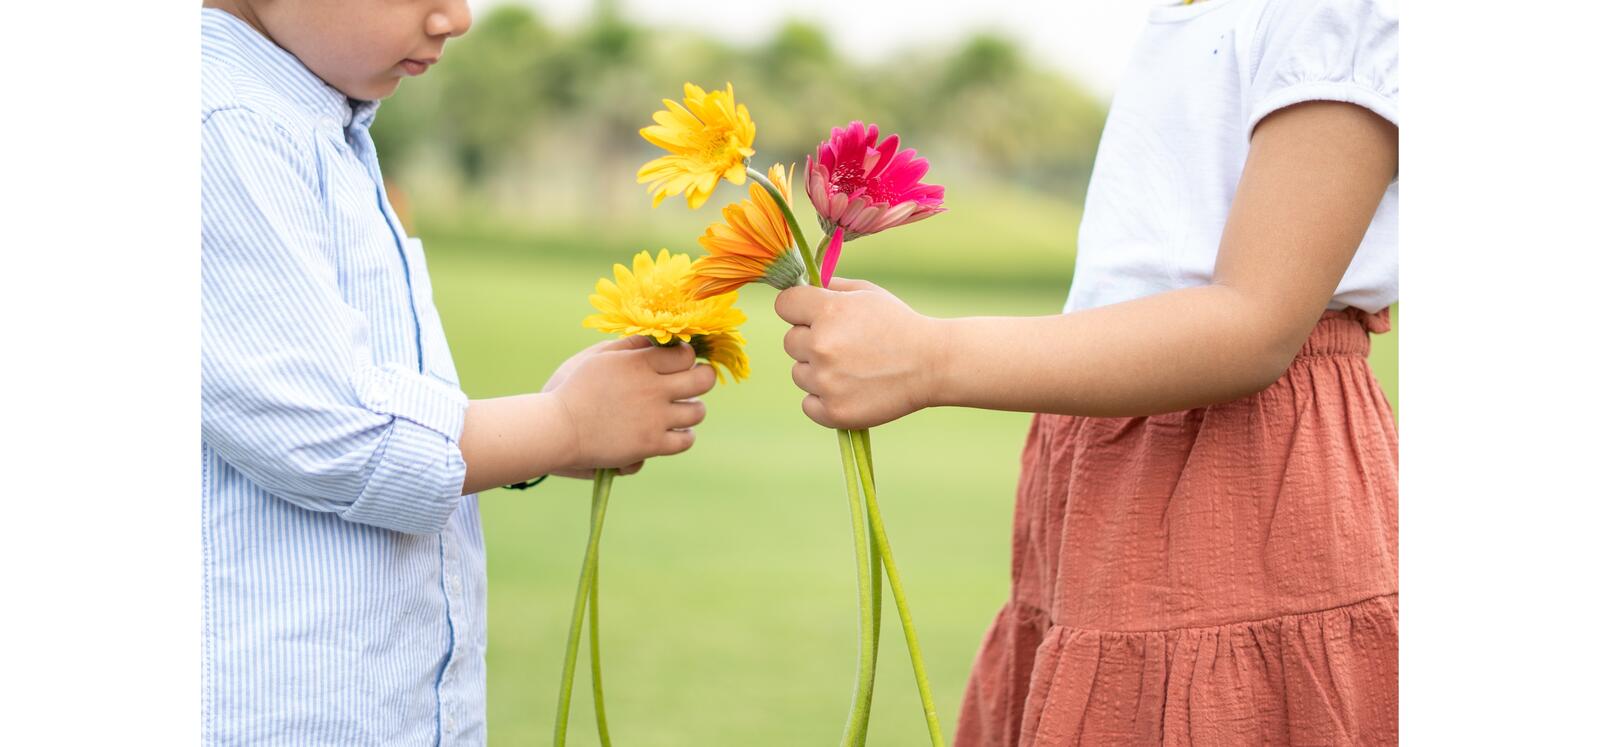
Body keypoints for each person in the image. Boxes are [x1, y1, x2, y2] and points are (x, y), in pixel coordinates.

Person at [774, 0, 1399, 743]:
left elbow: (1254, 322)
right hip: (1107, 482)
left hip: (1246, 489)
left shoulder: (1334, 11)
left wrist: (931, 357)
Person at [201, 2, 716, 743]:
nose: (457, 17)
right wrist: (564, 425)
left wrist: (554, 419)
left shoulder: (308, 123)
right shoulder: (223, 127)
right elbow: (333, 431)